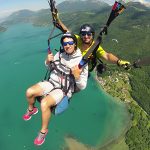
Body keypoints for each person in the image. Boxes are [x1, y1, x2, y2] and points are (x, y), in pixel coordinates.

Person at [22, 32, 88, 146]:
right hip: (52, 82)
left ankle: (43, 131)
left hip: (63, 89)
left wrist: (77, 76)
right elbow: (50, 67)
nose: (67, 45)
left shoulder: (81, 62)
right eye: (65, 43)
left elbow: (82, 86)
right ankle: (32, 109)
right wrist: (47, 61)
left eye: (70, 42)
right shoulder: (60, 54)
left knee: (44, 103)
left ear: (75, 44)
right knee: (29, 92)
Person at [52, 14, 131, 72]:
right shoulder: (77, 39)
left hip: (83, 69)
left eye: (89, 34)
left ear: (92, 35)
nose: (86, 36)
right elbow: (66, 31)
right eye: (83, 34)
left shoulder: (95, 47)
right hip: (72, 65)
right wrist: (58, 19)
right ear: (81, 35)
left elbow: (107, 56)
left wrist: (119, 61)